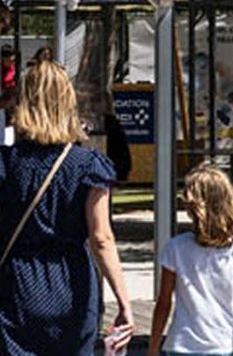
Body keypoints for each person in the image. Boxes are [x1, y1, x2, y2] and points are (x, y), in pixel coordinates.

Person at [0, 61, 133, 355]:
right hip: (72, 283)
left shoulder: (5, 162)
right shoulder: (87, 165)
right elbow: (101, 238)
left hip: (16, 282)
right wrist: (124, 303)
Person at [149, 164, 233, 356]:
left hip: (182, 343)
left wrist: (153, 348)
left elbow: (164, 303)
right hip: (220, 344)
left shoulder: (176, 247)